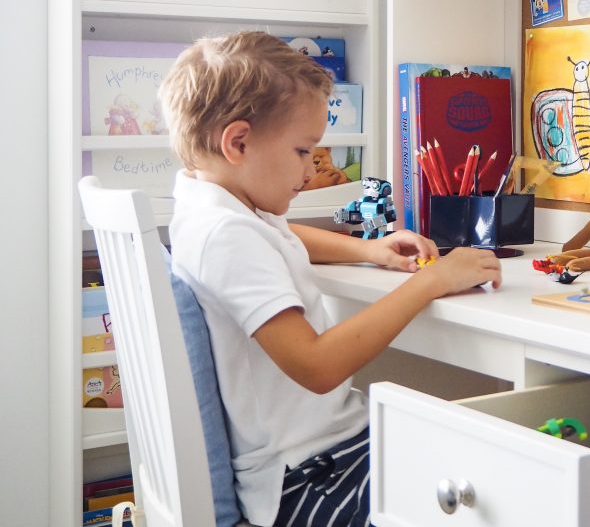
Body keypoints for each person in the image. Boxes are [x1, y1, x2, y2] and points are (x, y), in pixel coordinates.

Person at [158, 30, 502, 527]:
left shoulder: (210, 204)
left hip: (318, 457)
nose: (310, 168)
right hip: (309, 481)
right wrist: (430, 282)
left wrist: (368, 249)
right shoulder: (228, 236)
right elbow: (317, 366)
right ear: (238, 142)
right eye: (303, 151)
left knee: (475, 463)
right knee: (486, 493)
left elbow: (281, 233)